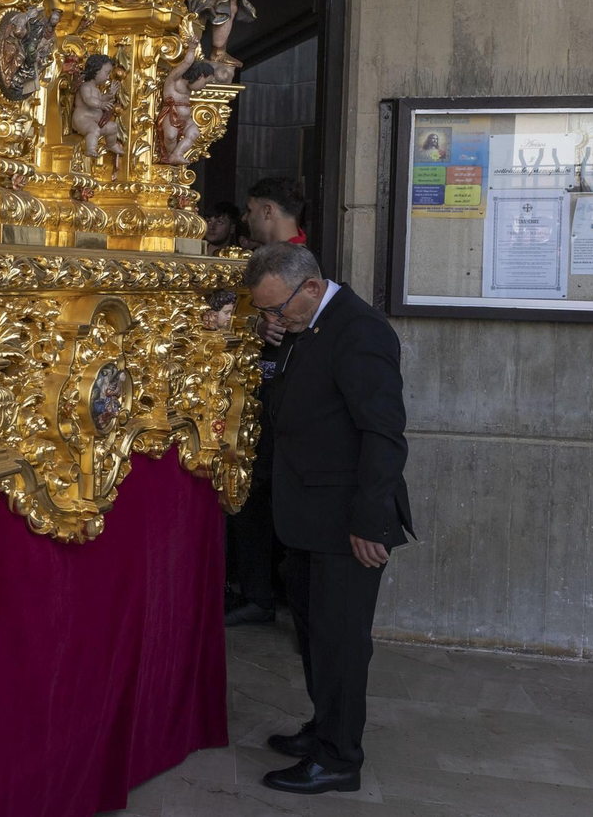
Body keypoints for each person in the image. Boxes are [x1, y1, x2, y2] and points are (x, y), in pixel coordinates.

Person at [243, 243, 412, 796]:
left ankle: (339, 758)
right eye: (264, 311)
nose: (273, 318)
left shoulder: (359, 331)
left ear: (311, 287)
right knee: (315, 634)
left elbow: (383, 433)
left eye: (277, 309)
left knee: (340, 641)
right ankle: (325, 728)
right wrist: (270, 343)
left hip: (347, 522)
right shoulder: (306, 324)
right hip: (308, 512)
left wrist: (370, 521)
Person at [225, 176, 310, 627]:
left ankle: (272, 595)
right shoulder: (250, 257)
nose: (246, 217)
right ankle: (254, 590)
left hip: (285, 398)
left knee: (266, 491)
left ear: (269, 212)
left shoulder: (304, 266)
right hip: (250, 393)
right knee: (248, 493)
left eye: (252, 208)